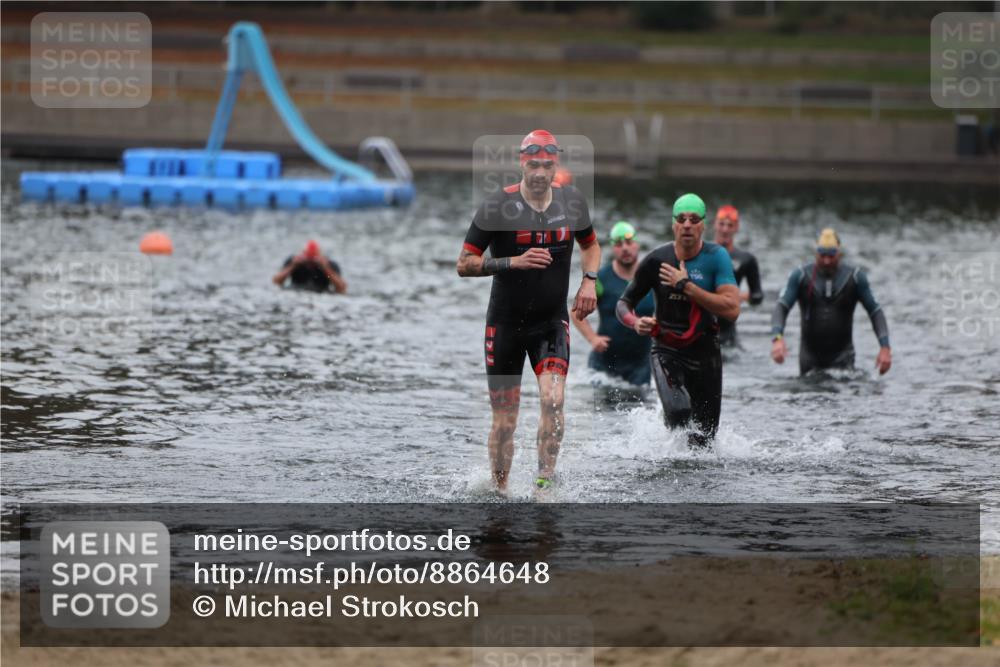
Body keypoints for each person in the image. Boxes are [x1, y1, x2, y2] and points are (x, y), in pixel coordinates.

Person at [457, 129, 600, 493]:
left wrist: (589, 281)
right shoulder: (497, 206)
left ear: (556, 166)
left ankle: (543, 482)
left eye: (547, 165)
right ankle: (499, 490)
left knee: (553, 400)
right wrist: (511, 262)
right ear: (522, 163)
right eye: (533, 164)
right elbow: (465, 264)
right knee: (506, 420)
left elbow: (591, 244)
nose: (540, 172)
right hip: (504, 326)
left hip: (550, 323)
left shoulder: (572, 202)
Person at [616, 193, 740, 448]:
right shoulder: (656, 260)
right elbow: (623, 303)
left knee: (705, 440)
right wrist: (635, 322)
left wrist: (685, 285)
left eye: (693, 219)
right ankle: (669, 461)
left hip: (706, 352)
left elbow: (732, 309)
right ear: (673, 224)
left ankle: (694, 485)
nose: (686, 224)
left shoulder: (717, 257)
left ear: (703, 224)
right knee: (679, 410)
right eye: (681, 219)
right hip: (666, 349)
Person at [771, 229, 891, 376]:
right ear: (816, 253)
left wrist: (885, 347)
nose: (826, 260)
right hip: (809, 361)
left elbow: (875, 311)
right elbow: (781, 306)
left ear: (839, 253)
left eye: (831, 255)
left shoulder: (855, 277)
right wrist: (777, 338)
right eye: (822, 255)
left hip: (843, 360)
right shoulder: (801, 276)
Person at [571, 221, 655, 390]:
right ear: (612, 249)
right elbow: (575, 313)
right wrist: (592, 338)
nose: (625, 248)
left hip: (640, 366)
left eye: (629, 242)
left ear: (637, 245)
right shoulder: (601, 279)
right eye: (618, 244)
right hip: (604, 364)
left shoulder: (651, 279)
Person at [712, 205, 763, 347]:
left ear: (736, 227)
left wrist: (738, 296)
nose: (725, 229)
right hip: (703, 329)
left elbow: (758, 296)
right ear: (714, 224)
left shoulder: (746, 259)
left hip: (729, 333)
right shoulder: (701, 253)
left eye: (730, 225)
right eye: (721, 224)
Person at [272, 240, 347, 294]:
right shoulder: (294, 263)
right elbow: (277, 282)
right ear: (303, 254)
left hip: (322, 292)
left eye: (313, 258)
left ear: (319, 255)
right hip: (296, 290)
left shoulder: (329, 265)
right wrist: (292, 266)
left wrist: (326, 268)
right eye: (308, 257)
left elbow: (341, 288)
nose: (310, 261)